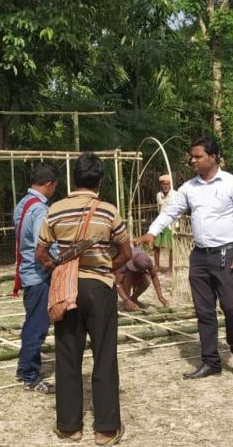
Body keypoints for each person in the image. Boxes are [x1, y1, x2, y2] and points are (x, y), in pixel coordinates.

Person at [138, 135, 233, 379]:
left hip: (227, 254)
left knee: (232, 306)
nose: (192, 160)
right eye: (191, 156)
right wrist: (151, 232)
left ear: (213, 158)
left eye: (198, 156)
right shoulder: (189, 188)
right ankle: (210, 360)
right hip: (200, 257)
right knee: (204, 310)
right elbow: (170, 212)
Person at [36, 152, 131, 445]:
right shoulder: (109, 211)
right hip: (100, 288)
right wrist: (104, 267)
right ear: (99, 181)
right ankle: (105, 429)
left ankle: (69, 427)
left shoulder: (54, 211)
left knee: (67, 354)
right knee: (104, 355)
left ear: (73, 179)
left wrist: (59, 266)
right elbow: (126, 254)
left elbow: (40, 255)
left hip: (67, 288)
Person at [13, 162, 59, 394]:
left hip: (27, 272)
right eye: (54, 187)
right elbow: (44, 246)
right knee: (37, 326)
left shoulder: (23, 204)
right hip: (38, 274)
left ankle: (24, 368)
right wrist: (55, 264)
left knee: (32, 322)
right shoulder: (40, 209)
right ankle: (31, 375)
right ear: (49, 184)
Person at [153, 175, 177, 273]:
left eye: (167, 184)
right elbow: (159, 209)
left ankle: (170, 269)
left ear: (170, 184)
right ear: (160, 185)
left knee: (172, 247)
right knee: (156, 245)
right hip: (161, 223)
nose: (165, 186)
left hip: (171, 224)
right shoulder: (159, 195)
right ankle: (157, 266)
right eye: (163, 184)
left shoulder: (175, 194)